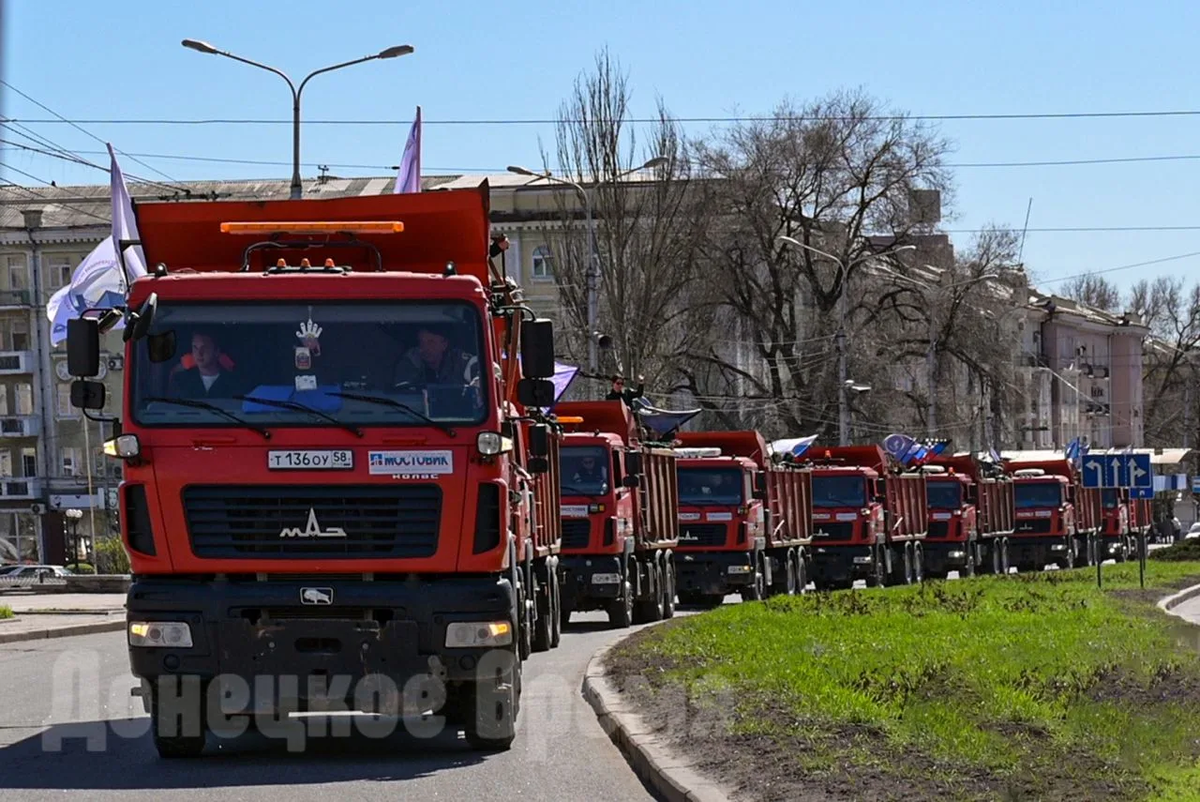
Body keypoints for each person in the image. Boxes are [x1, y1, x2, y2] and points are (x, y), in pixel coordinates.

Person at [394, 324, 479, 387]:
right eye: (421, 343)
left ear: (444, 344)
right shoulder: (412, 360)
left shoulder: (463, 363)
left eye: (431, 342)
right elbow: (401, 389)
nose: (425, 348)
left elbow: (482, 379)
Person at [168, 331, 239, 398]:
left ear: (216, 351)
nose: (199, 353)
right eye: (195, 348)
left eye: (204, 348)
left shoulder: (234, 383)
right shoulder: (181, 381)